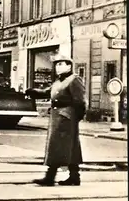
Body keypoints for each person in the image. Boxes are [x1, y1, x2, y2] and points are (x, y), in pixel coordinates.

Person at [26, 54, 86, 187]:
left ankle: (50, 177)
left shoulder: (74, 79)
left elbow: (80, 101)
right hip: (58, 117)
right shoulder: (59, 81)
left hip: (66, 117)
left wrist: (76, 117)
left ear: (69, 65)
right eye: (57, 64)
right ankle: (74, 177)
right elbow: (47, 92)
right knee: (70, 147)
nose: (58, 67)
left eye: (61, 64)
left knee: (58, 146)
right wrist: (33, 91)